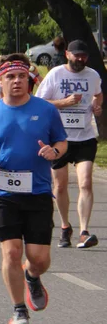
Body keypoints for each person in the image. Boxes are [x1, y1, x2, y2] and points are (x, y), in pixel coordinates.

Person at [0, 54, 67, 324]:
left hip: (38, 193)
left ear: (29, 81)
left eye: (22, 76)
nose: (17, 81)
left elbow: (61, 141)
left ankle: (32, 276)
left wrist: (54, 151)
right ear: (0, 82)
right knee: (11, 252)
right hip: (2, 192)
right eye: (10, 77)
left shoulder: (46, 110)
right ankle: (19, 310)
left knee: (39, 259)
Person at [36, 40, 103, 248]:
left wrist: (96, 105)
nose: (80, 59)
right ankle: (65, 227)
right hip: (60, 138)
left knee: (85, 183)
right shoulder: (55, 74)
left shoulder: (92, 75)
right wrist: (64, 103)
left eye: (83, 56)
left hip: (85, 137)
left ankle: (84, 231)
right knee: (60, 185)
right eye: (77, 55)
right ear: (67, 54)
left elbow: (99, 94)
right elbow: (40, 101)